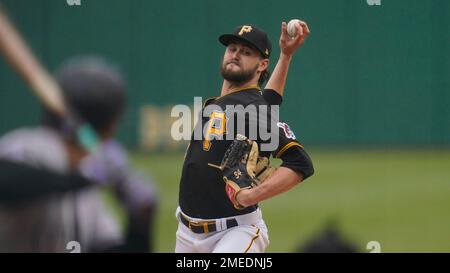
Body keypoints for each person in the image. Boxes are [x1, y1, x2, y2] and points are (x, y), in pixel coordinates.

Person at [175, 21, 313, 253]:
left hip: (234, 233)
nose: (236, 55)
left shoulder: (253, 110)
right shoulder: (232, 103)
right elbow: (270, 99)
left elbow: (301, 163)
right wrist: (286, 56)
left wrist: (251, 196)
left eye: (246, 52)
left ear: (262, 65)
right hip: (186, 234)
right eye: (232, 49)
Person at [0, 57, 158, 252]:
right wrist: (82, 179)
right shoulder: (29, 146)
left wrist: (140, 224)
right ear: (112, 126)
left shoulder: (86, 191)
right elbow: (6, 181)